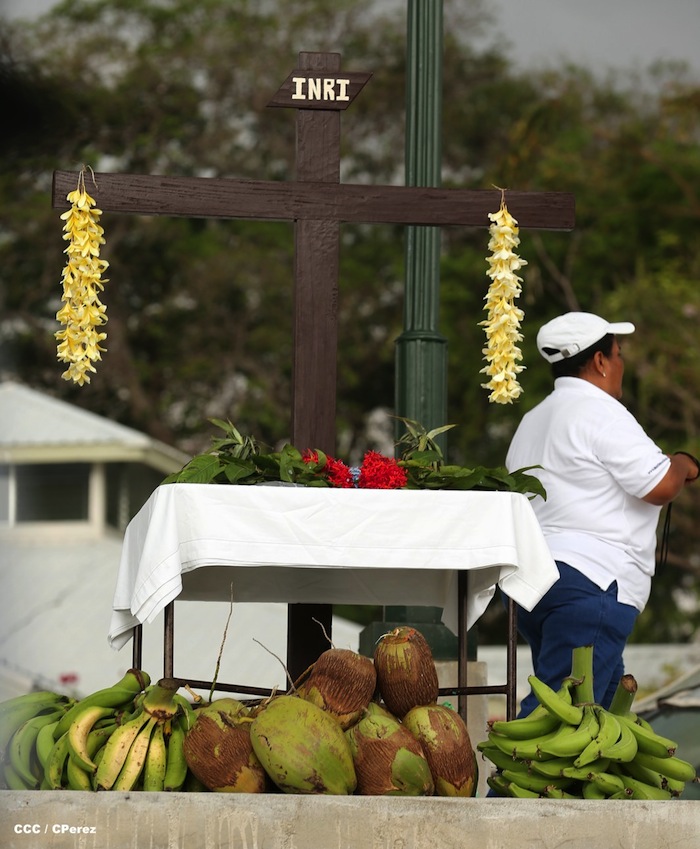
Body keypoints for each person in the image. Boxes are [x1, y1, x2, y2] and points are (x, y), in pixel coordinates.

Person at [504, 311, 699, 716]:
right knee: (557, 724)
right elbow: (659, 486)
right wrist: (682, 462)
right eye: (619, 353)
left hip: (538, 584)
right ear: (600, 362)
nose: (621, 363)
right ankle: (500, 783)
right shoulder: (599, 411)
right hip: (589, 584)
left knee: (605, 719)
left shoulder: (532, 420)